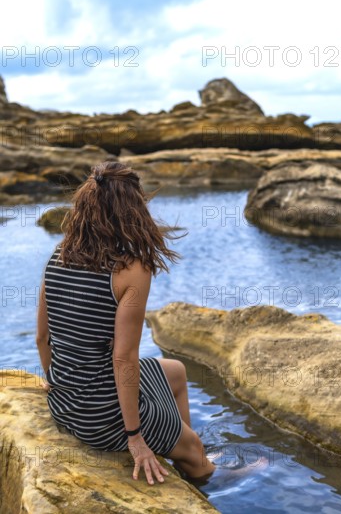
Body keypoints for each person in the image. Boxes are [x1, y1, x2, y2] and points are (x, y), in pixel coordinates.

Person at [36, 161, 216, 486]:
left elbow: (42, 337)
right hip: (104, 417)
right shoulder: (131, 270)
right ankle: (193, 460)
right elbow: (123, 358)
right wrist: (134, 437)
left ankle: (179, 442)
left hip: (62, 405)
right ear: (132, 209)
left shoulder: (58, 254)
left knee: (175, 370)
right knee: (200, 459)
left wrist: (54, 381)